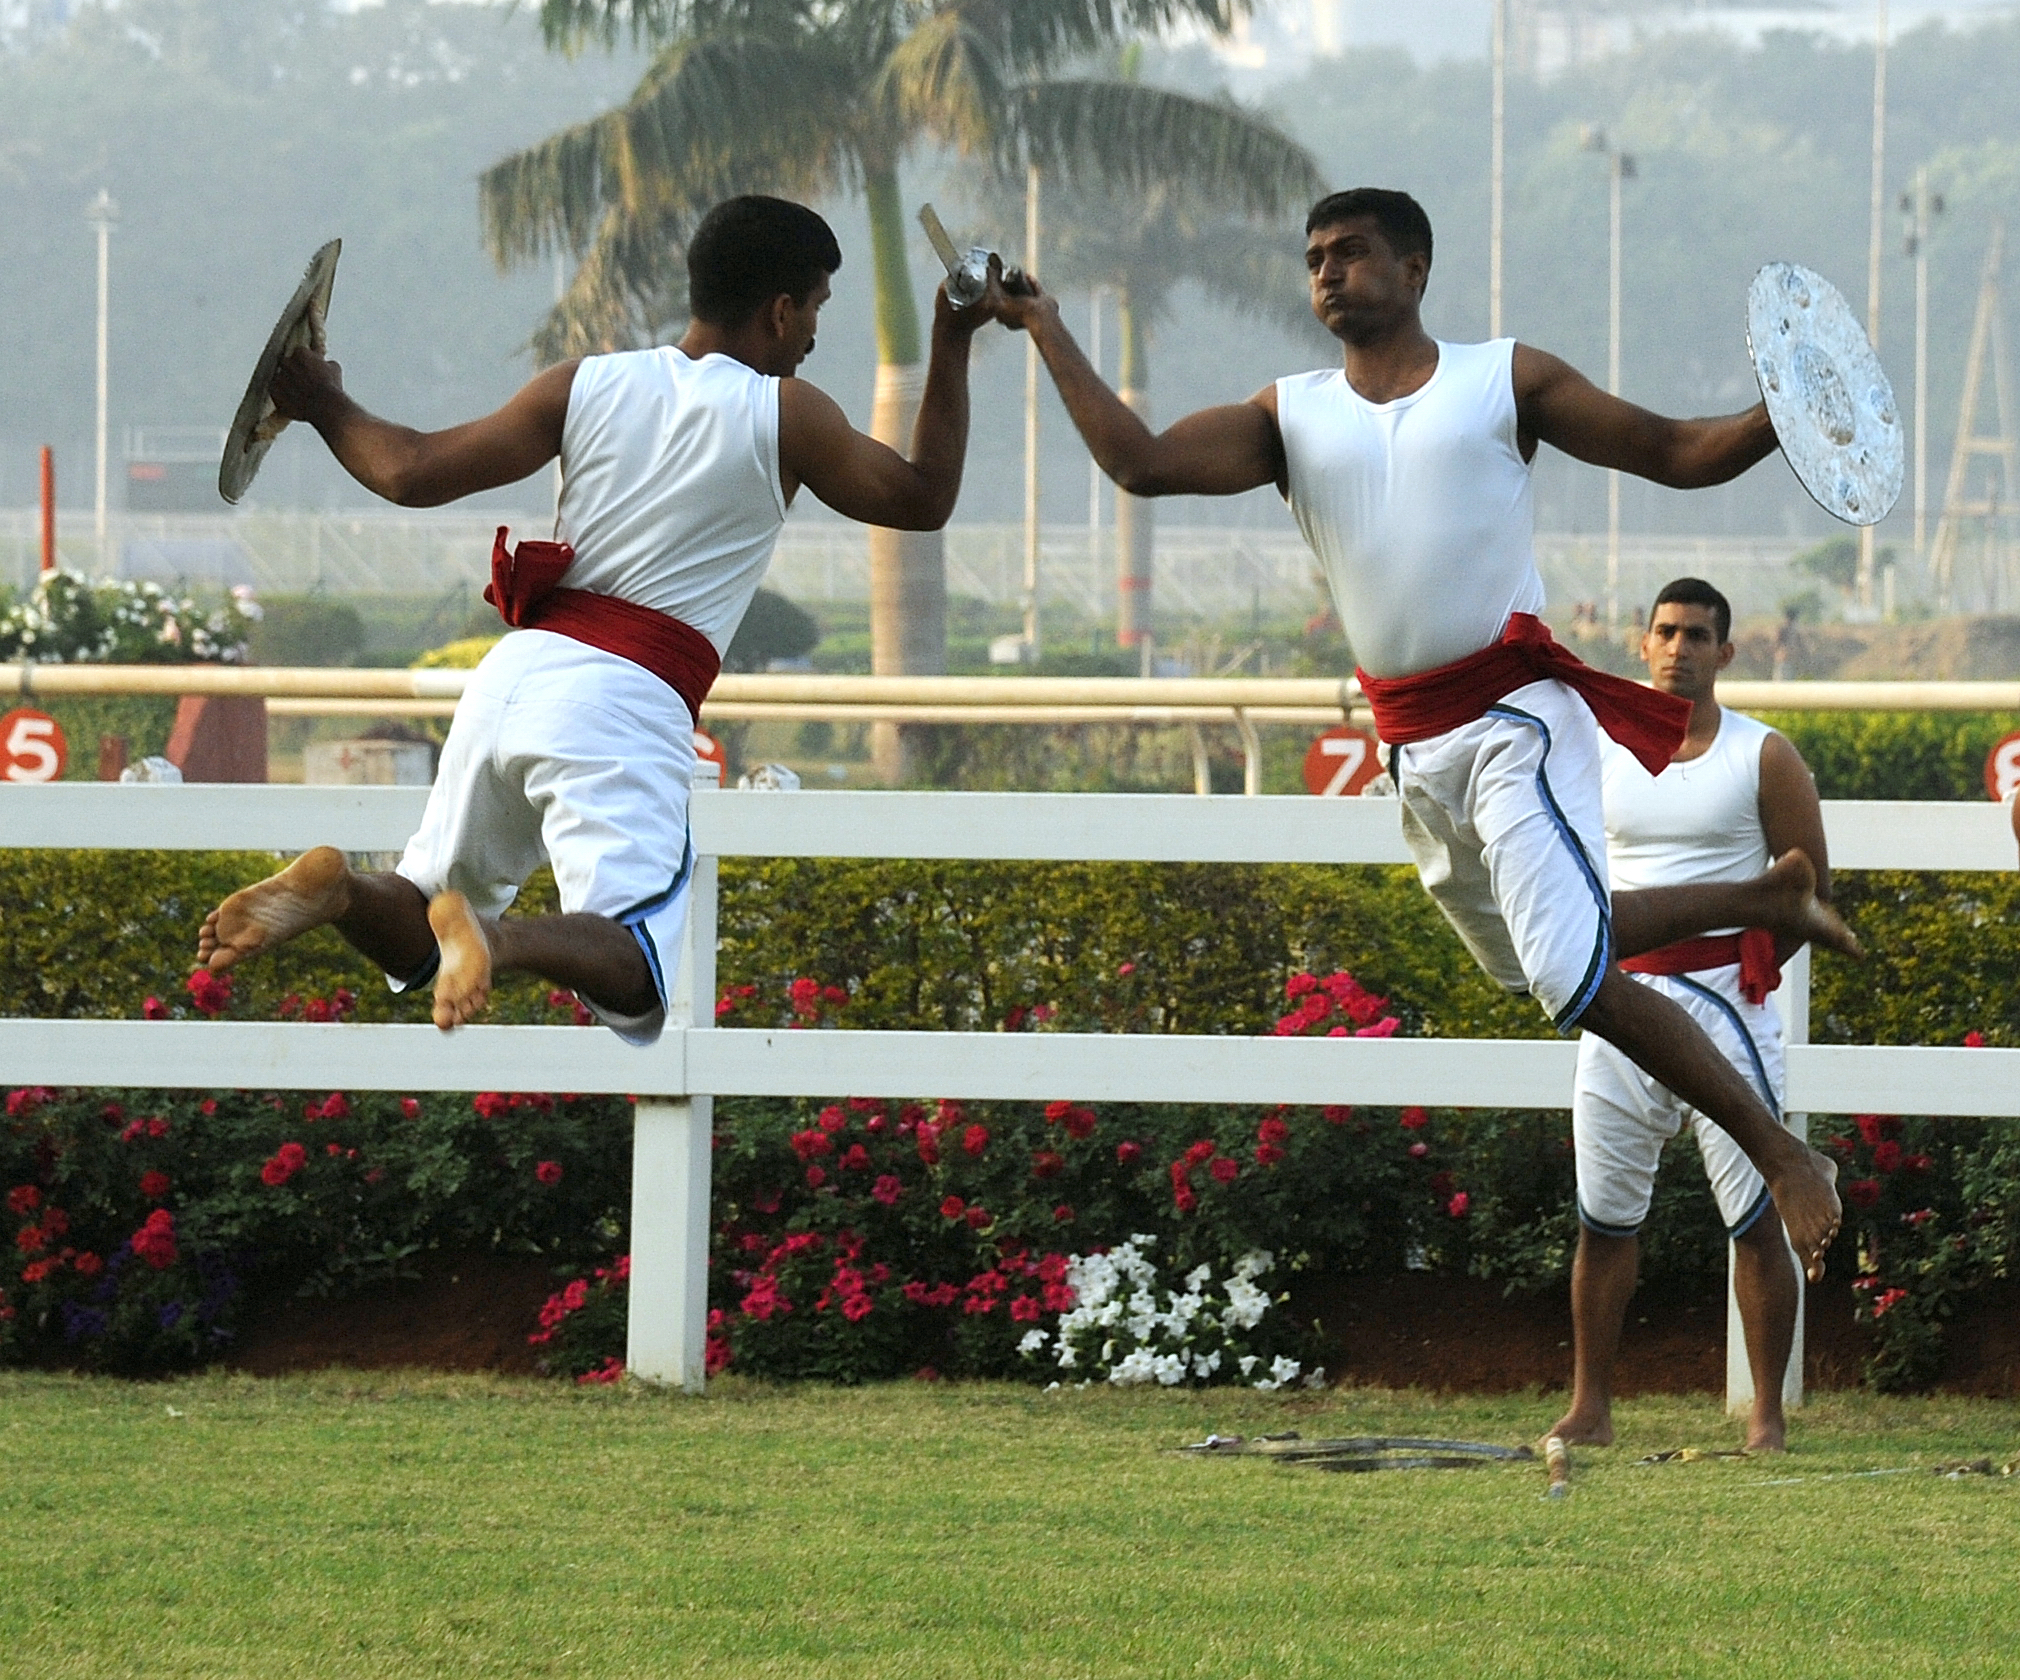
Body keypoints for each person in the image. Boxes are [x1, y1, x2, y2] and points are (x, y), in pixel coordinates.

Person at [992, 186, 1855, 1278]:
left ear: (1414, 269)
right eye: (1313, 256)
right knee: (1537, 965)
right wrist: (1045, 326)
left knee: (1572, 977)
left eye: (1351, 252)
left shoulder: (1506, 380)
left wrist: (1780, 413)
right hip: (1416, 753)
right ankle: (1758, 900)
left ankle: (1783, 1158)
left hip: (1513, 724)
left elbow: (1678, 449)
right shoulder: (1287, 413)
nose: (1326, 271)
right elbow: (1141, 464)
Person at [200, 196, 998, 1040]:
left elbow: (409, 471)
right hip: (623, 700)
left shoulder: (584, 382)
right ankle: (496, 939)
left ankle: (341, 890)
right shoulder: (784, 412)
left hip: (511, 677)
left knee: (420, 927)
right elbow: (923, 496)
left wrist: (321, 399)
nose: (810, 339)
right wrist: (953, 336)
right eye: (815, 313)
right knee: (641, 976)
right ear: (779, 309)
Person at [1550, 579, 1825, 1452]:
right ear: (1643, 643)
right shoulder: (1596, 750)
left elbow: (1809, 889)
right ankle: (1591, 1406)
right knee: (1604, 1219)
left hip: (1727, 1008)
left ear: (1725, 651)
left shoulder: (1763, 754)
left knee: (1755, 1216)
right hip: (1619, 1006)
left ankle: (1767, 1416)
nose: (1679, 647)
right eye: (1666, 631)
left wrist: (1744, 972)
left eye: (1698, 634)